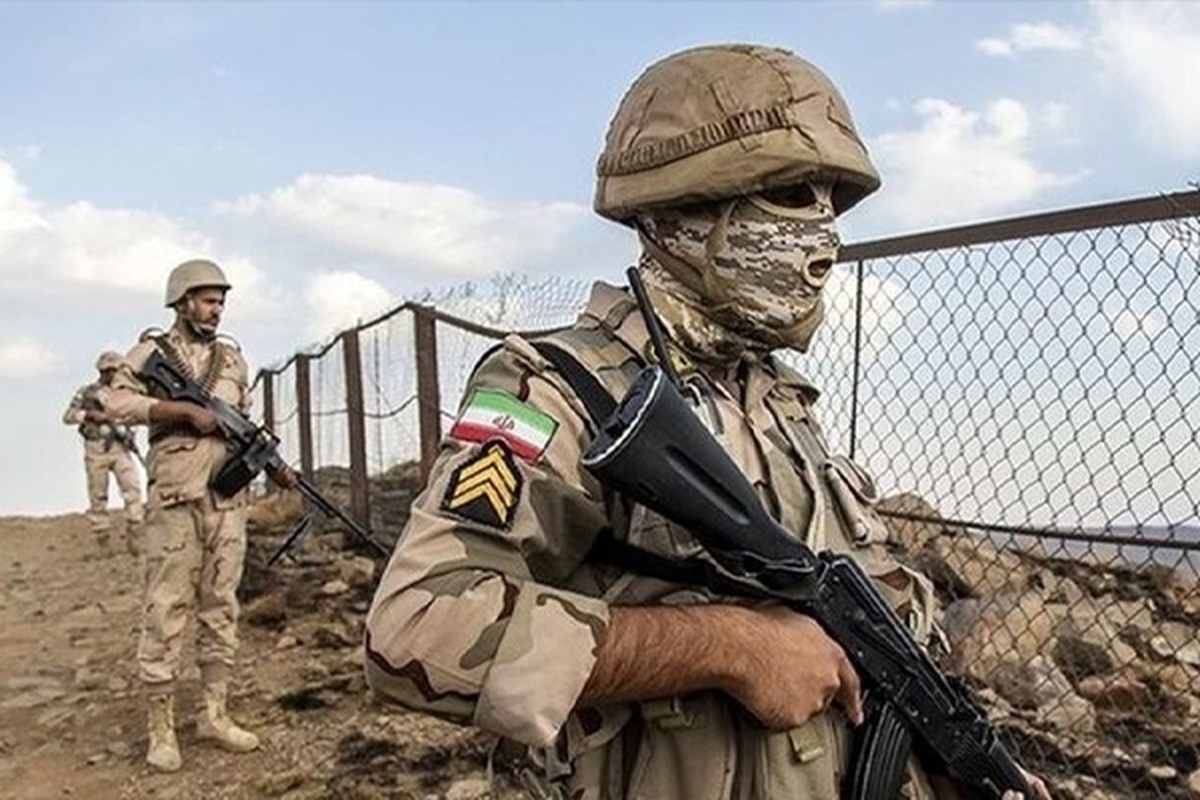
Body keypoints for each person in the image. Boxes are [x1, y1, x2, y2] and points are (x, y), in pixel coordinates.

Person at [364, 44, 1051, 800]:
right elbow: (418, 627)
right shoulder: (560, 389)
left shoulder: (780, 400)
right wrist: (729, 647)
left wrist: (944, 757)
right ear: (676, 209)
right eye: (790, 193)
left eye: (832, 199)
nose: (823, 232)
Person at [90, 258, 292, 772]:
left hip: (226, 500)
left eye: (221, 302)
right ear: (182, 302)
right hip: (176, 496)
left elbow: (240, 420)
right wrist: (175, 411)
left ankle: (214, 714)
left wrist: (272, 462)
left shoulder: (232, 360)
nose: (216, 309)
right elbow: (109, 401)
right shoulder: (152, 353)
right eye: (207, 301)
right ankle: (160, 728)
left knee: (221, 604)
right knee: (166, 606)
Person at [62, 351, 145, 553]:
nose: (114, 374)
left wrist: (128, 431)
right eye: (111, 370)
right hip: (96, 448)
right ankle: (102, 539)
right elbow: (68, 416)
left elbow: (136, 416)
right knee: (98, 495)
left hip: (120, 447)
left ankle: (135, 536)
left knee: (132, 490)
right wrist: (89, 415)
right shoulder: (87, 393)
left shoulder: (126, 394)